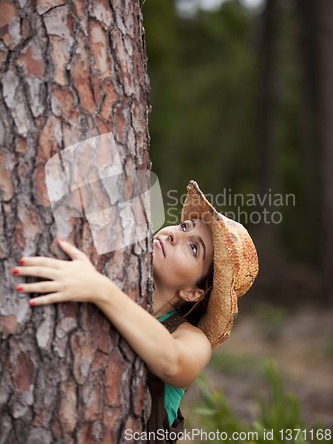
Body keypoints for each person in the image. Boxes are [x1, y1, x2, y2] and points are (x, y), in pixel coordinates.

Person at [14, 180, 259, 442]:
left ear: (193, 293)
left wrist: (100, 289)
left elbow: (173, 362)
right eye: (184, 226)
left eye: (194, 247)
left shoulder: (193, 340)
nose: (174, 233)